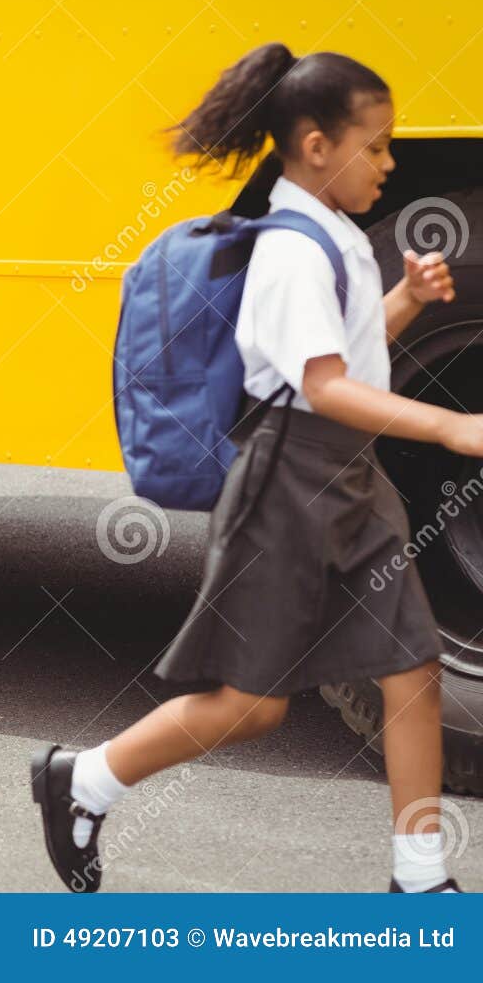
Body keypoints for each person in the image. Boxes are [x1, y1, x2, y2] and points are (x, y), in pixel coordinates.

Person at [31, 43, 473, 892]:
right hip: (289, 485)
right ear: (317, 147)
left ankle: (420, 878)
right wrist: (452, 427)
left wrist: (408, 299)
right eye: (378, 145)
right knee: (254, 703)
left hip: (352, 478)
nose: (391, 162)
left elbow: (346, 353)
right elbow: (323, 386)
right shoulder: (289, 252)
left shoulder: (336, 234)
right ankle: (83, 779)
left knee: (414, 667)